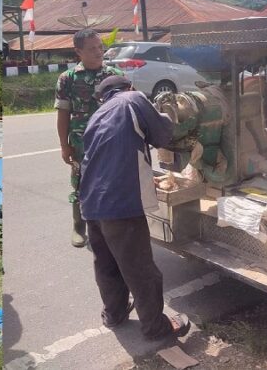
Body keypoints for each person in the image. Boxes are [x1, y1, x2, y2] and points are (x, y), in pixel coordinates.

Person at [79, 75, 191, 341]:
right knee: (141, 269)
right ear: (129, 87)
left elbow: (109, 157)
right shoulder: (133, 99)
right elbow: (164, 134)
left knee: (106, 265)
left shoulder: (97, 116)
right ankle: (155, 327)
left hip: (91, 202)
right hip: (120, 204)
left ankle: (114, 314)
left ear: (101, 97)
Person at [54, 29, 123, 247]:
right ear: (78, 51)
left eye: (100, 47)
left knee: (110, 184)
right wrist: (64, 146)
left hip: (110, 141)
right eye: (92, 48)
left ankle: (105, 229)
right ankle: (78, 226)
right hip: (80, 142)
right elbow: (63, 114)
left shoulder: (114, 74)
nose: (98, 52)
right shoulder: (68, 79)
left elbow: (125, 108)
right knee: (81, 184)